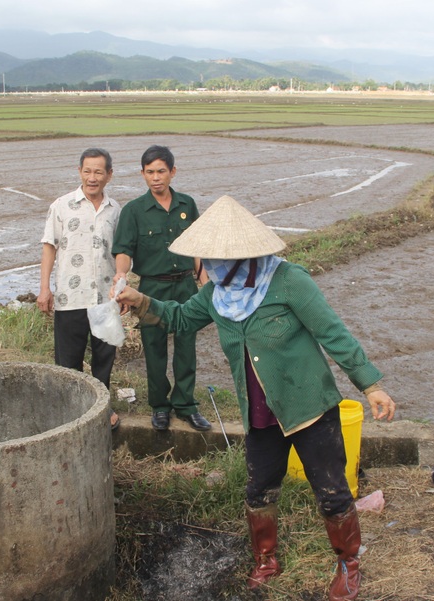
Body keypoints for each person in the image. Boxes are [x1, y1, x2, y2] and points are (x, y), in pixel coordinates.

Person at [116, 195, 396, 600]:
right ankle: (266, 560)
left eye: (214, 258)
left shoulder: (288, 281)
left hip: (308, 407)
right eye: (206, 259)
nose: (207, 267)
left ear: (243, 255)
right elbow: (179, 318)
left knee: (332, 492)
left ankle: (348, 564)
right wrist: (140, 301)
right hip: (260, 413)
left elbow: (332, 333)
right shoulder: (217, 294)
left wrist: (371, 385)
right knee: (259, 489)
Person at [111, 145, 212, 432]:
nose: (156, 178)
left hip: (184, 285)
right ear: (142, 174)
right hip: (152, 287)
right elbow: (124, 250)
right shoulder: (133, 211)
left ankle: (186, 404)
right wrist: (121, 275)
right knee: (154, 348)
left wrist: (204, 284)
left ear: (172, 172)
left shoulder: (187, 205)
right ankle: (159, 406)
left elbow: (197, 248)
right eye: (150, 172)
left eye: (161, 171)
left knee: (186, 346)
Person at [38, 148, 121, 429]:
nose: (92, 177)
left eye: (98, 171)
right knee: (68, 360)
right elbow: (49, 247)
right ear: (79, 172)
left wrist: (123, 286)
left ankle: (101, 408)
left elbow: (121, 252)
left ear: (109, 175)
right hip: (69, 296)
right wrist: (44, 288)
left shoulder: (116, 210)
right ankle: (70, 412)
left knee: (104, 358)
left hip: (105, 297)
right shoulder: (61, 206)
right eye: (87, 171)